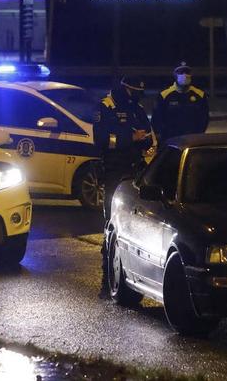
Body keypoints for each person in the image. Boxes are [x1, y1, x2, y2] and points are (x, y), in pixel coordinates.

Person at [92, 76, 154, 297]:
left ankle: (134, 274)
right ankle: (107, 277)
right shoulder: (106, 107)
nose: (138, 96)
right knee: (112, 223)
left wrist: (142, 139)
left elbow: (148, 136)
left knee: (137, 222)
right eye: (135, 91)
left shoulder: (136, 109)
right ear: (126, 89)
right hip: (114, 172)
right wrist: (130, 137)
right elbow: (101, 139)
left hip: (135, 171)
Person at [151, 62, 209, 143]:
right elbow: (157, 119)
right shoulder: (164, 95)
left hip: (192, 140)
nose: (184, 75)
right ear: (175, 75)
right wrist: (160, 136)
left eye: (187, 72)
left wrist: (198, 134)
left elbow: (204, 118)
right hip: (170, 139)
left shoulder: (200, 95)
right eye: (181, 72)